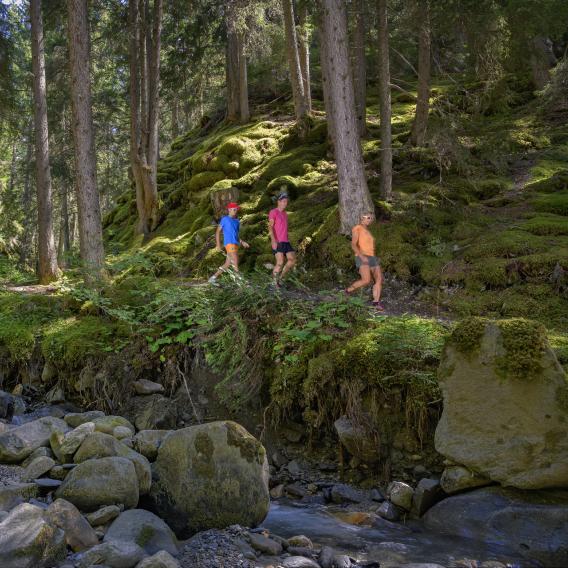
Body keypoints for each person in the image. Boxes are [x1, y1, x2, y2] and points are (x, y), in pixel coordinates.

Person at [345, 212, 384, 310]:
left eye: (371, 218)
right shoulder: (357, 228)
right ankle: (347, 291)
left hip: (372, 257)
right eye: (368, 218)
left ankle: (376, 303)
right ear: (362, 218)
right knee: (366, 280)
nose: (370, 220)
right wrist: (361, 256)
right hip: (362, 256)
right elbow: (353, 244)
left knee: (379, 279)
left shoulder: (368, 231)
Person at [208, 202, 249, 284]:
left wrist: (242, 242)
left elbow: (236, 234)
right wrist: (218, 245)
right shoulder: (225, 219)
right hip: (229, 243)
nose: (235, 211)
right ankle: (239, 281)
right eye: (233, 209)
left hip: (235, 244)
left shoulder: (237, 221)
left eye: (236, 209)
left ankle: (212, 278)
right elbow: (217, 232)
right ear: (229, 210)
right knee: (235, 260)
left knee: (227, 264)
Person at [268, 192, 296, 285]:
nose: (285, 203)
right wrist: (273, 240)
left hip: (286, 241)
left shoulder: (285, 214)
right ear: (278, 202)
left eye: (286, 202)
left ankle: (280, 278)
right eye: (283, 201)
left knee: (292, 260)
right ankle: (274, 284)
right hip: (278, 241)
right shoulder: (273, 212)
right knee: (279, 263)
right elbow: (270, 227)